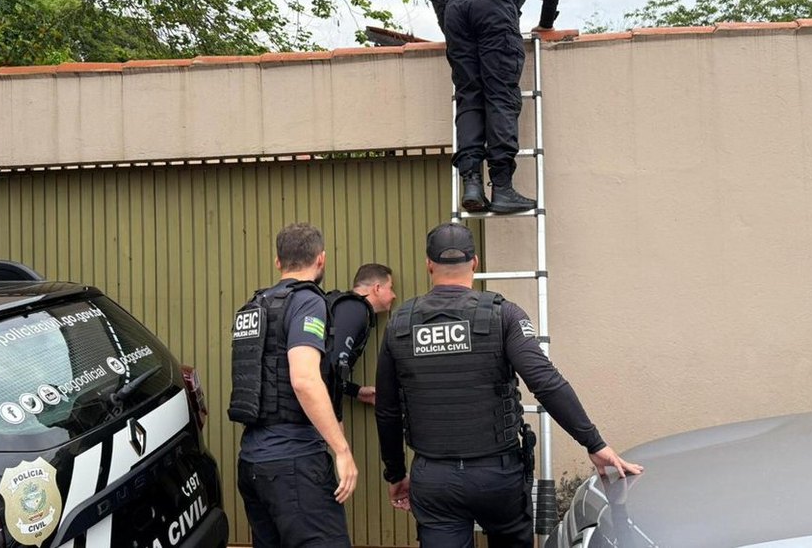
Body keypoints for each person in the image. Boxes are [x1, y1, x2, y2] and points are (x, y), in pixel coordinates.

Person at [375, 222, 642, 547]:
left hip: (434, 478)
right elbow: (545, 382)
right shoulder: (504, 315)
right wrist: (594, 444)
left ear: (428, 264)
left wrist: (395, 474)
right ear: (475, 263)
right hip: (497, 476)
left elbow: (387, 410)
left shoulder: (400, 324)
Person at [423, 0, 566, 214]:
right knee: (500, 93)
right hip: (494, 4)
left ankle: (472, 183)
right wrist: (546, 22)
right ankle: (502, 188)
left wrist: (452, 29)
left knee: (470, 95)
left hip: (457, 12)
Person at [227, 223, 357, 548]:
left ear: (277, 262)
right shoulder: (307, 302)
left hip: (253, 463)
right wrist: (342, 450)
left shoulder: (255, 307)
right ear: (321, 259)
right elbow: (304, 379)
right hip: (294, 465)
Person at [327, 263, 398, 413]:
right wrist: (335, 422)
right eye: (391, 288)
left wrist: (357, 391)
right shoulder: (355, 309)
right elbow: (333, 368)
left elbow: (328, 368)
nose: (394, 295)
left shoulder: (350, 308)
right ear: (377, 288)